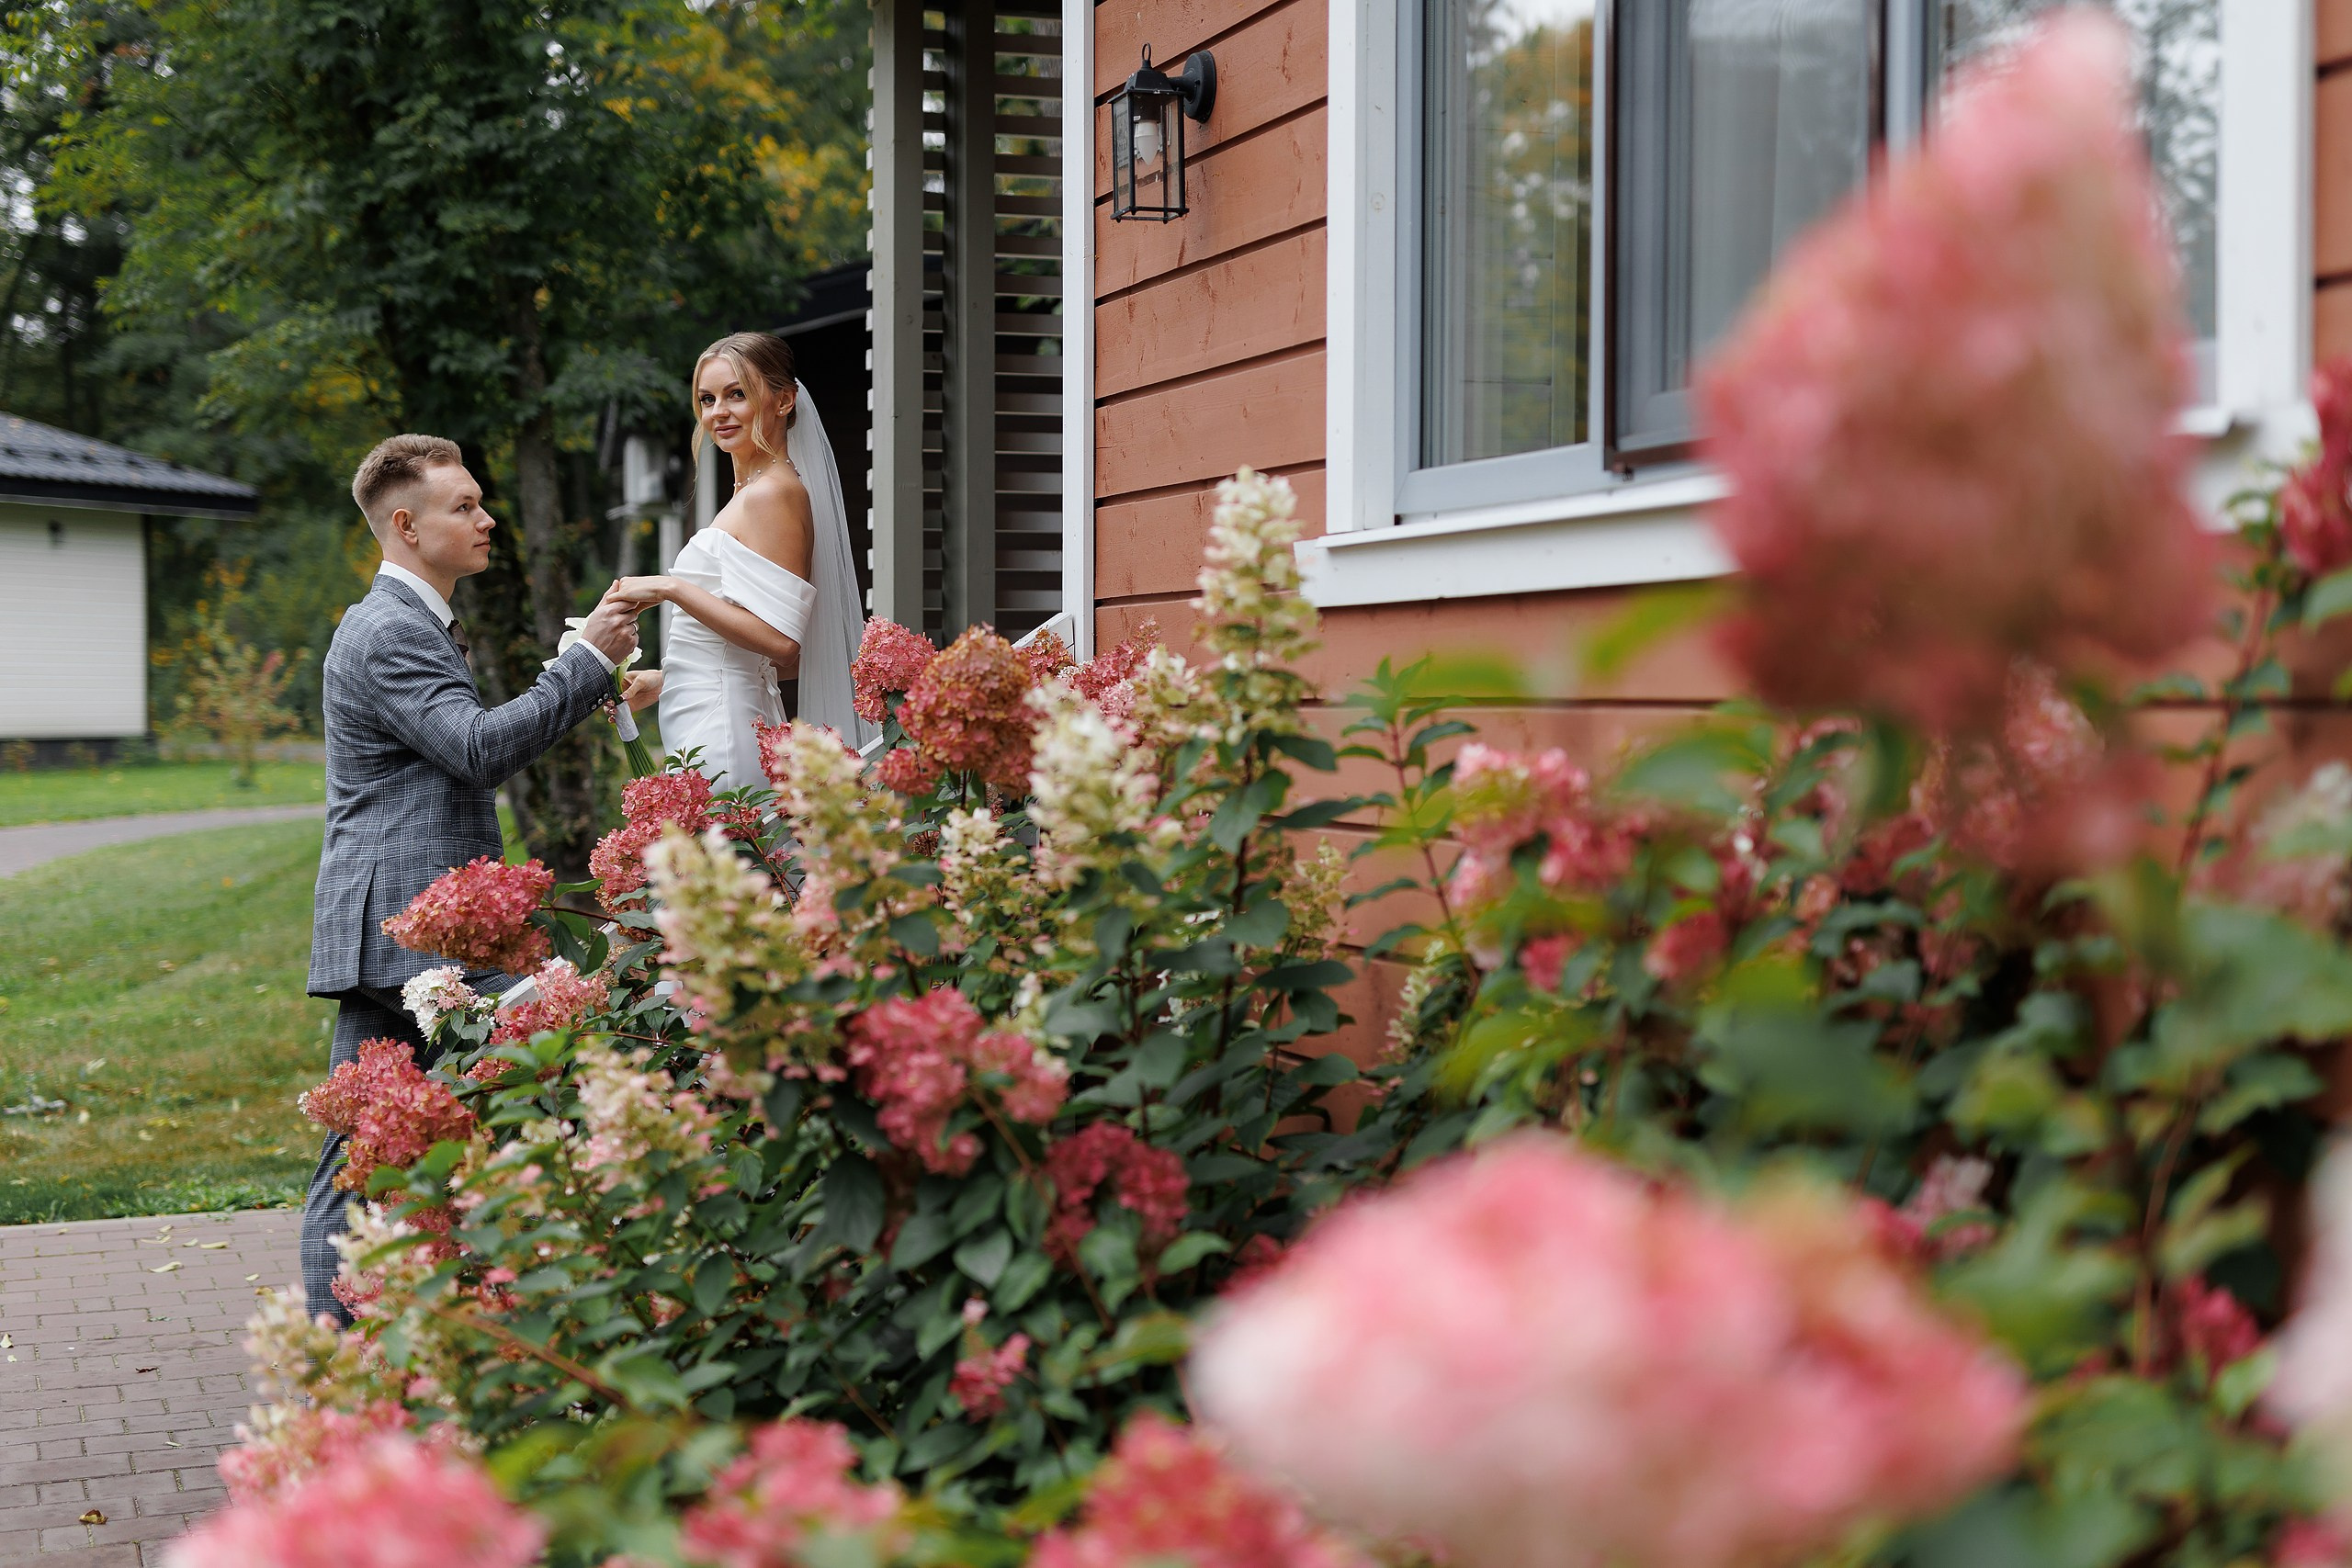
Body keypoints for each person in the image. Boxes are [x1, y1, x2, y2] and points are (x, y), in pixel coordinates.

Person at [300, 434, 639, 1322]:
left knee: (358, 1153)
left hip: (401, 920)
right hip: (409, 927)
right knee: (568, 1049)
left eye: (483, 501)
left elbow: (459, 739)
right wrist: (584, 665)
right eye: (466, 507)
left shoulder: (409, 621)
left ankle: (355, 1356)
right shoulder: (387, 630)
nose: (487, 519)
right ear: (406, 526)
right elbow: (477, 748)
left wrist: (592, 687)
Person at [611, 331, 876, 788]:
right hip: (703, 712)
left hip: (724, 726)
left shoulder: (773, 494)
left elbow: (783, 643)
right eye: (707, 399)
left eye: (738, 394)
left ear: (784, 401)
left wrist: (670, 587)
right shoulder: (750, 494)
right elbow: (783, 660)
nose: (719, 412)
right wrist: (664, 679)